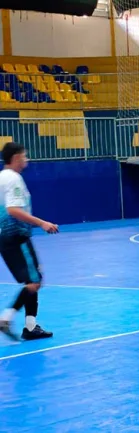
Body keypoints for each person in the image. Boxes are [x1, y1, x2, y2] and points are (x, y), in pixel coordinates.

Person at [0, 142, 58, 341]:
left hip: (6, 238)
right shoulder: (14, 179)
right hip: (17, 236)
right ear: (16, 157)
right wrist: (42, 223)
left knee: (32, 279)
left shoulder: (1, 178)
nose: (27, 160)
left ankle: (31, 327)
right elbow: (13, 210)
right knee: (35, 282)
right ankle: (6, 318)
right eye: (24, 156)